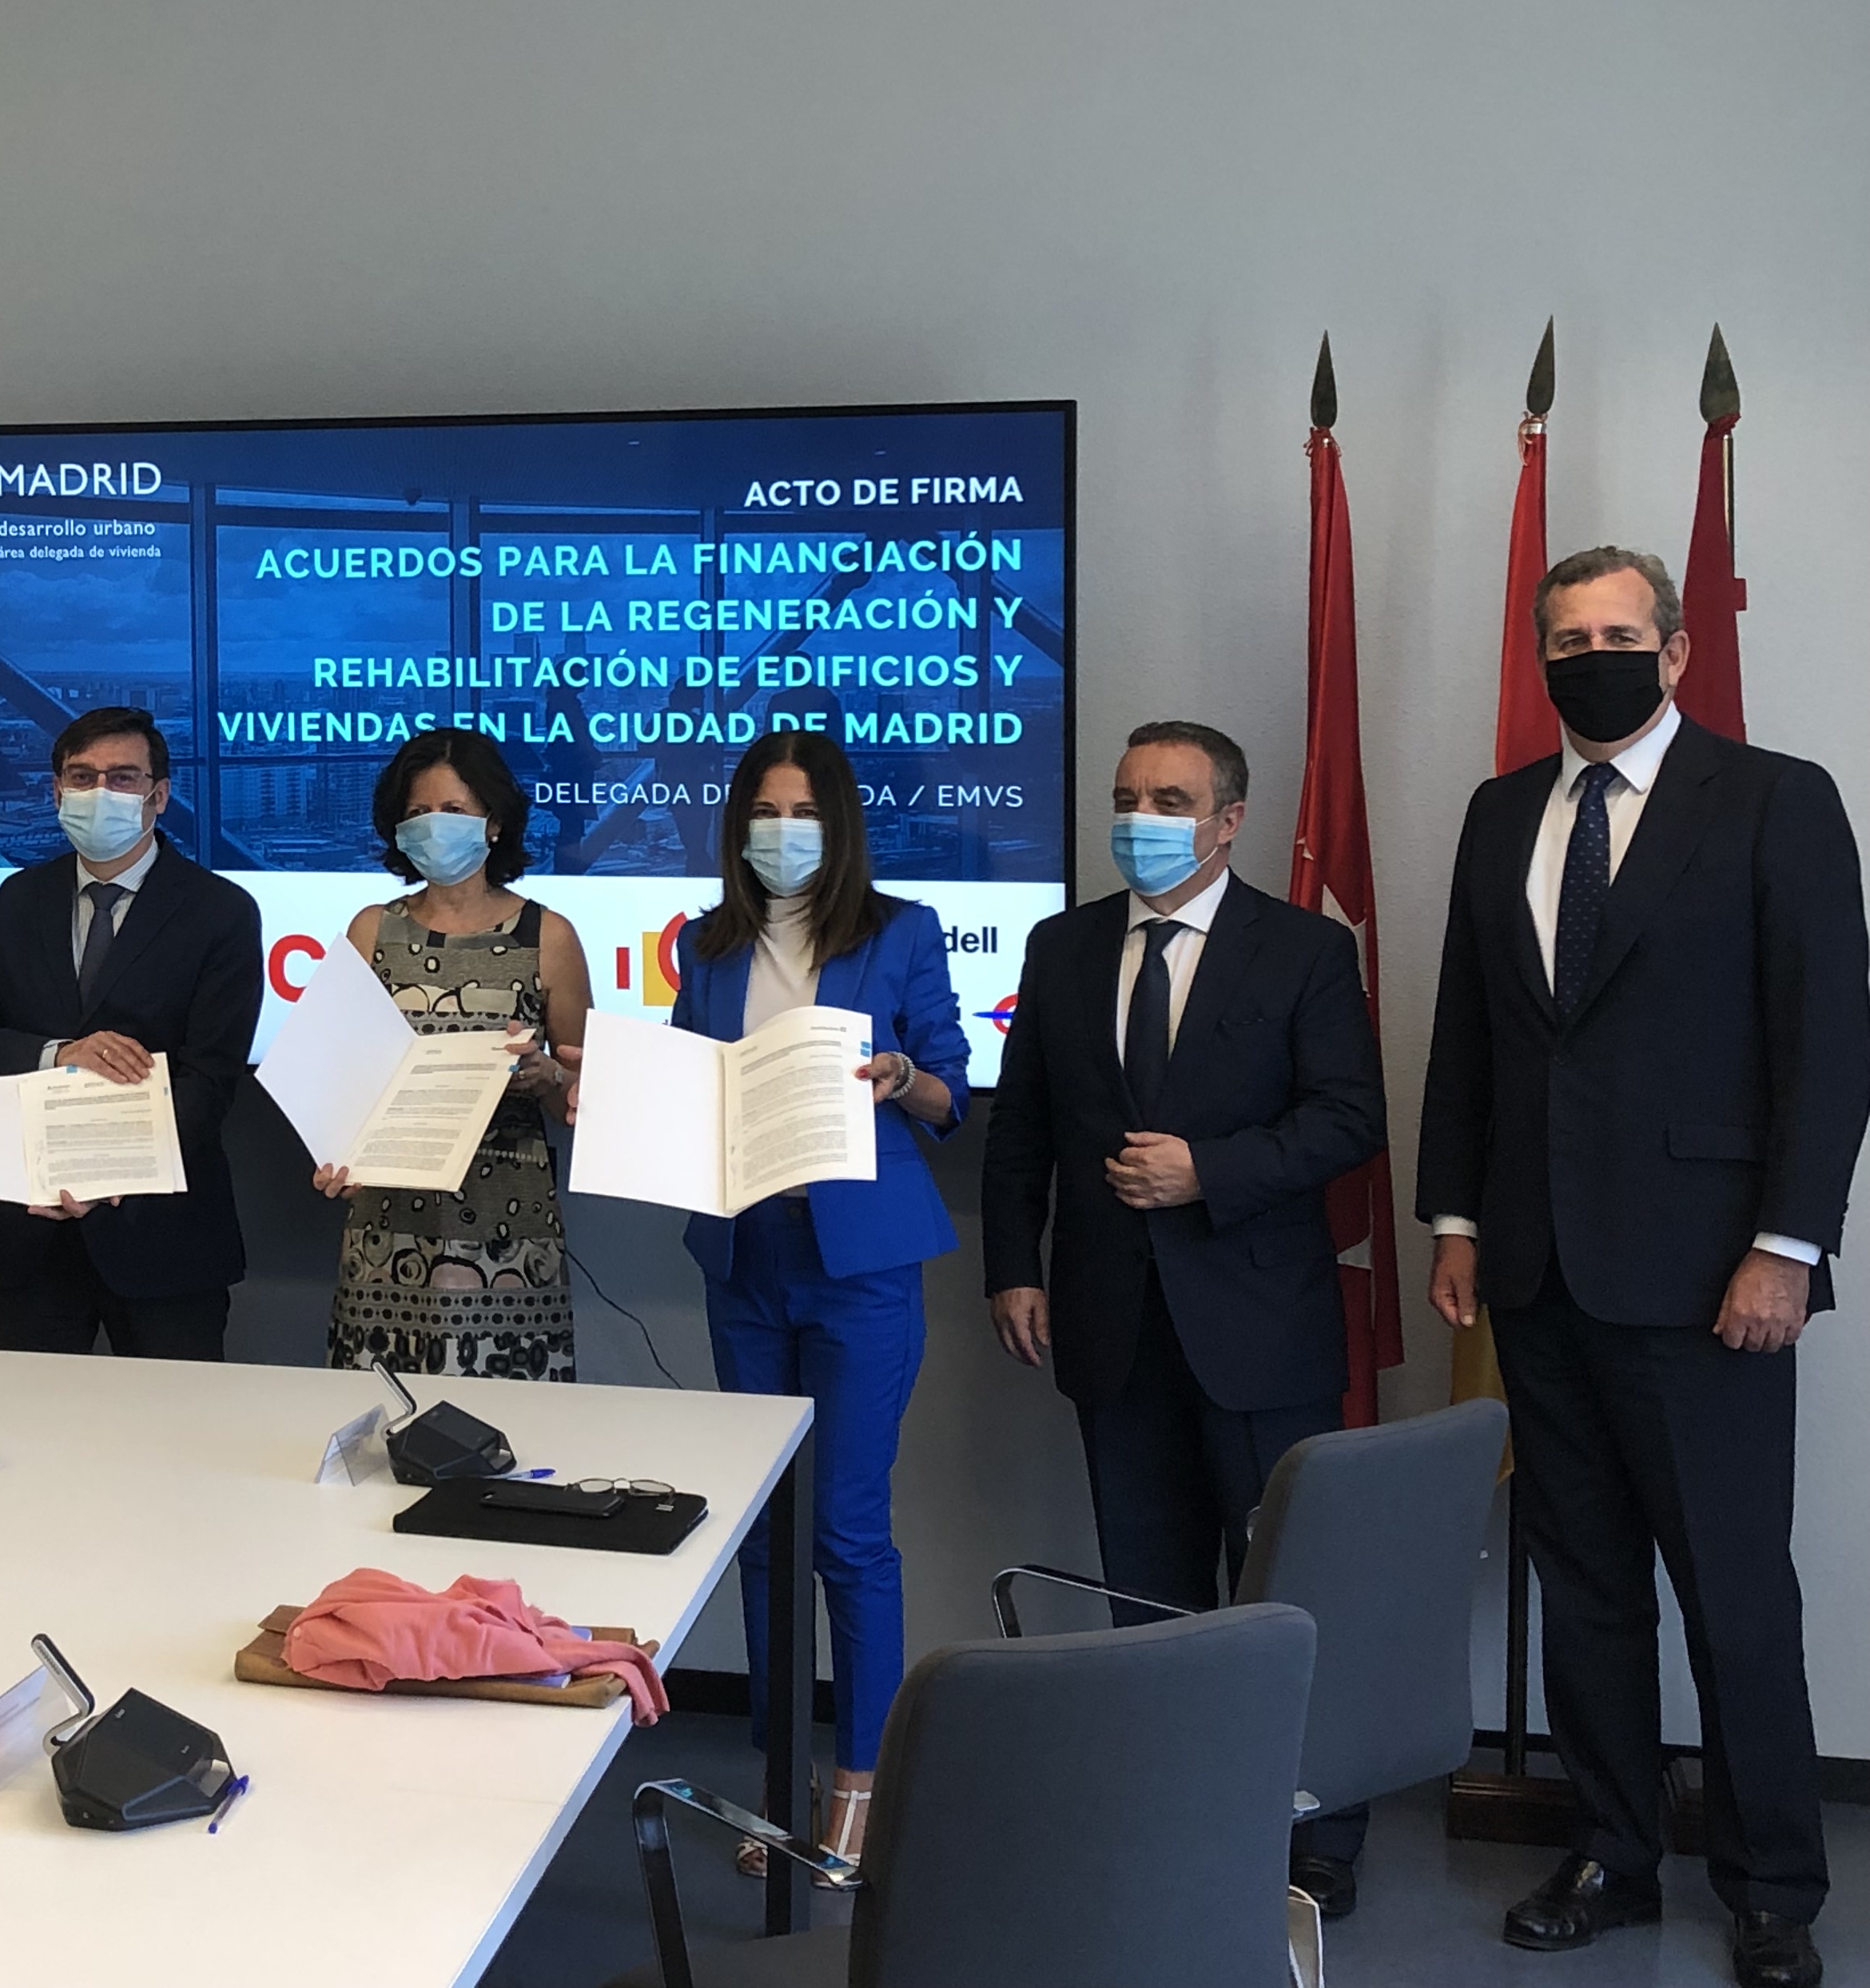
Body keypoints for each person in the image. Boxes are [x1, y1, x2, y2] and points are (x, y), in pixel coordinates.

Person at [1418, 548, 1864, 1988]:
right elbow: (1469, 1030)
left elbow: (1827, 1040)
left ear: (1673, 652)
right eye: (1567, 637)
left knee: (1735, 1596)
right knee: (1586, 1586)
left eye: (1619, 633)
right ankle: (1612, 1849)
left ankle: (1771, 1887)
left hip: (1709, 1278)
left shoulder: (1777, 799)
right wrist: (1454, 1219)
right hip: (1536, 1268)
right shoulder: (1501, 812)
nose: (1591, 655)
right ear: (1540, 655)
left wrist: (1786, 1246)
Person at [981, 718, 1385, 1911]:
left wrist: (1211, 1169)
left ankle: (1316, 1831)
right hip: (1111, 1325)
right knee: (1147, 1594)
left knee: (1285, 1588)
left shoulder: (1304, 950)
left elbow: (1350, 1118)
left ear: (1229, 821)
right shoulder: (1062, 947)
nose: (1140, 821)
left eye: (1168, 801)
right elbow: (1023, 1131)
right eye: (1126, 797)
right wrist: (1014, 1267)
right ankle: (1170, 1811)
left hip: (1260, 1328)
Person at [654, 729, 968, 1876]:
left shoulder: (902, 932)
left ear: (839, 827)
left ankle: (862, 1783)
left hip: (862, 1265)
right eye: (763, 811)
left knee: (845, 1530)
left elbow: (950, 1093)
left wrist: (902, 1079)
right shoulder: (708, 943)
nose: (781, 832)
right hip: (747, 1258)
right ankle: (781, 1783)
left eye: (803, 813)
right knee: (765, 1537)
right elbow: (688, 1083)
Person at [0, 706, 262, 1359]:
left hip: (162, 1238)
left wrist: (102, 1171)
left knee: (174, 1421)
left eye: (122, 778)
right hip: (30, 1233)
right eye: (82, 777)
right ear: (56, 792)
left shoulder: (221, 911)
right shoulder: (19, 899)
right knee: (18, 1419)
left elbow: (209, 1081)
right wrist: (59, 1055)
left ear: (159, 796)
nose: (100, 793)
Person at [307, 727, 587, 1380]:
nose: (434, 825)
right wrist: (331, 1149)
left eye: (454, 810)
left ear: (494, 822)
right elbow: (338, 1078)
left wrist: (549, 1074)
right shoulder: (371, 930)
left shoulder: (548, 936)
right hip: (387, 1217)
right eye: (418, 812)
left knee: (514, 1417)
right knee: (382, 1412)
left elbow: (578, 1093)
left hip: (507, 1221)